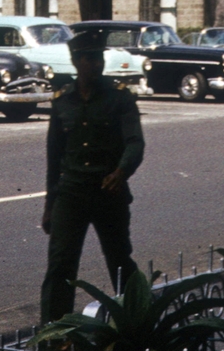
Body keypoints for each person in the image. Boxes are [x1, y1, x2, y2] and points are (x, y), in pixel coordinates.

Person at [39, 27, 146, 325]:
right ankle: (55, 337)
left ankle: (136, 327)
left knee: (120, 262)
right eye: (87, 59)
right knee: (60, 266)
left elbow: (135, 142)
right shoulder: (62, 101)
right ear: (75, 61)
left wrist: (121, 171)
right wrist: (49, 206)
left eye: (98, 58)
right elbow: (54, 158)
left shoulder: (119, 98)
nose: (94, 64)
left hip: (107, 193)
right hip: (71, 194)